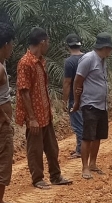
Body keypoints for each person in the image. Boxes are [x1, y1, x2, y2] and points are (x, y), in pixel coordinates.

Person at [16, 27, 72, 189]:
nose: (48, 45)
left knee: (52, 147)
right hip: (35, 117)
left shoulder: (40, 61)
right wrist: (31, 118)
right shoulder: (26, 63)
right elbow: (24, 91)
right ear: (42, 42)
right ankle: (38, 178)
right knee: (35, 149)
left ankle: (56, 176)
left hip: (45, 114)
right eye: (47, 42)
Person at [71, 32, 112, 179]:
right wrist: (77, 102)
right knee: (88, 136)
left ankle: (93, 164)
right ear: (105, 47)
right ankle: (85, 168)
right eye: (110, 48)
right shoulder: (88, 59)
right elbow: (78, 81)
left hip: (102, 105)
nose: (111, 51)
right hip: (90, 104)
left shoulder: (102, 60)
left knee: (98, 136)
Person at [0, 22, 16, 203]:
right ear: (5, 44)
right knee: (3, 163)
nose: (12, 48)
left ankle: (1, 201)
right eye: (11, 44)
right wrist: (3, 118)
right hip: (1, 125)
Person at [63, 33, 84, 159]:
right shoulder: (87, 58)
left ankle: (81, 150)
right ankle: (81, 147)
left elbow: (67, 82)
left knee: (78, 124)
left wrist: (64, 100)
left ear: (68, 46)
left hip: (74, 98)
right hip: (88, 96)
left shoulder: (69, 62)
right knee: (84, 122)